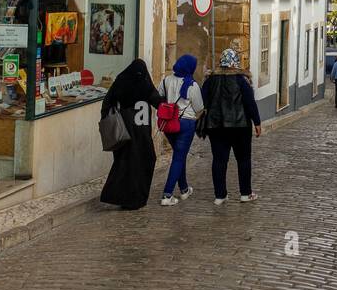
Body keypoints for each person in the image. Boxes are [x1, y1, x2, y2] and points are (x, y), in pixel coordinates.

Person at [198, 47, 261, 203]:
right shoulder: (241, 80)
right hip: (240, 126)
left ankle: (220, 195)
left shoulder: (210, 80)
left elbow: (202, 100)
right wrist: (257, 122)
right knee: (244, 160)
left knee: (219, 160)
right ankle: (245, 193)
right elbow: (250, 103)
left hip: (216, 126)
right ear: (236, 63)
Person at [99, 58, 162, 210]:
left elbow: (107, 103)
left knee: (125, 164)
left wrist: (106, 119)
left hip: (124, 133)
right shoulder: (145, 84)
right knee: (144, 161)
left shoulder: (121, 82)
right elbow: (158, 101)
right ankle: (137, 198)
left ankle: (124, 198)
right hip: (141, 134)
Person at [158, 53, 204, 205]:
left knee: (180, 154)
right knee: (178, 157)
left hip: (169, 124)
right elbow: (199, 108)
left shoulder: (166, 80)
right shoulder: (192, 85)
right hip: (185, 124)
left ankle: (184, 189)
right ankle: (167, 194)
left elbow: (160, 97)